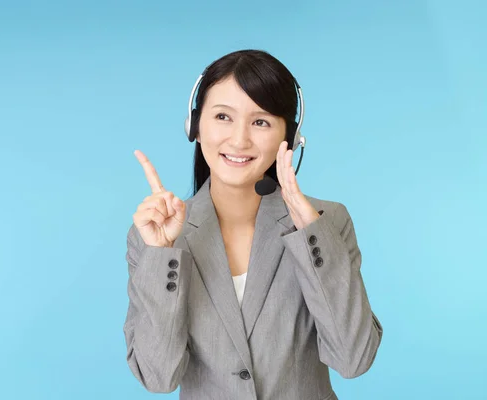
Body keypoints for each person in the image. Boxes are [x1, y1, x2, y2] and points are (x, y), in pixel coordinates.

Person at [122, 49, 383, 400]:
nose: (239, 139)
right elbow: (158, 377)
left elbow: (354, 359)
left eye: (260, 121)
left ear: (287, 138)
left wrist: (308, 230)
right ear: (195, 127)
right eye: (222, 117)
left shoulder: (327, 222)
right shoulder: (154, 238)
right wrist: (160, 254)